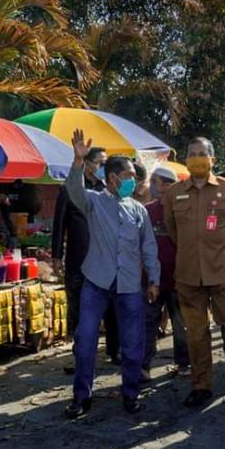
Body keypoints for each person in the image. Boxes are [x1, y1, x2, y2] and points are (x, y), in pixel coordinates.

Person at [64, 130, 160, 418]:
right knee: (86, 339)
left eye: (134, 176)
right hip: (96, 281)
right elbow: (74, 190)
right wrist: (78, 161)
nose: (134, 181)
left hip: (130, 284)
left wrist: (154, 279)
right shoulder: (93, 202)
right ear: (113, 178)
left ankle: (130, 394)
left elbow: (149, 247)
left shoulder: (137, 210)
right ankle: (82, 397)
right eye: (129, 175)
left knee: (133, 342)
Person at [164, 137, 225, 408]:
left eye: (202, 154)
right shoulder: (174, 192)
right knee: (196, 334)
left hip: (222, 268)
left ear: (213, 159)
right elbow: (172, 230)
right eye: (192, 153)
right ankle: (201, 385)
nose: (197, 158)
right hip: (188, 274)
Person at [51, 145, 120, 367]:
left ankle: (114, 350)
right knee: (79, 310)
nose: (102, 167)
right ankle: (80, 354)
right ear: (88, 164)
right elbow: (59, 223)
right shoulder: (71, 189)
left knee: (110, 307)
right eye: (100, 163)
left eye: (104, 163)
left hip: (105, 258)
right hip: (78, 258)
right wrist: (56, 255)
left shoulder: (106, 190)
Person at [142, 165, 191, 379]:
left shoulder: (182, 210)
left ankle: (184, 363)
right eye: (154, 182)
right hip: (152, 279)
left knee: (181, 325)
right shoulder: (146, 211)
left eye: (160, 182)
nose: (156, 187)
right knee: (147, 324)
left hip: (178, 277)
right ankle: (143, 366)